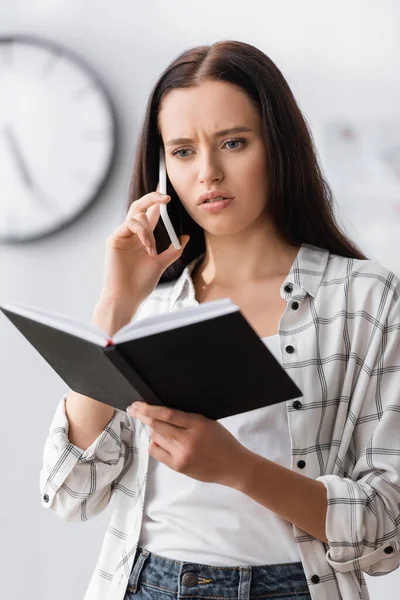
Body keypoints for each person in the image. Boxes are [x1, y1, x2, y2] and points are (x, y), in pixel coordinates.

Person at [40, 40, 400, 600]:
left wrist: (239, 469)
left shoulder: (365, 298)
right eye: (182, 151)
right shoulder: (152, 305)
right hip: (146, 584)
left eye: (233, 142)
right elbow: (71, 494)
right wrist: (114, 310)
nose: (208, 173)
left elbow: (387, 529)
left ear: (277, 146)